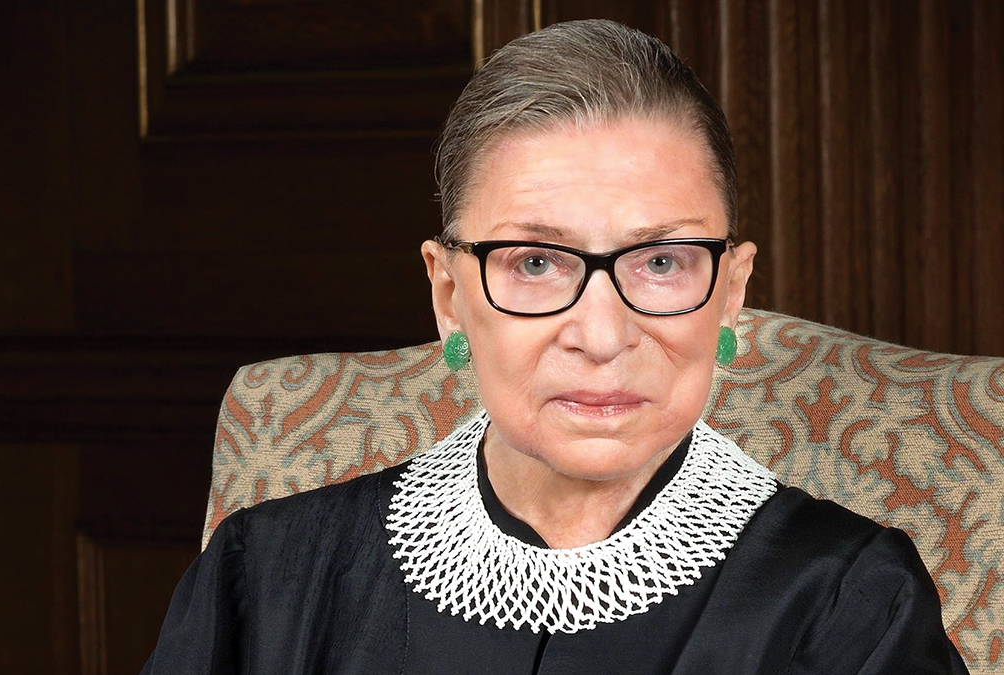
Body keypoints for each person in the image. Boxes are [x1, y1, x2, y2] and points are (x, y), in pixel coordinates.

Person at [141, 19, 968, 674]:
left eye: (661, 262)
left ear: (731, 290)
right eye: (535, 262)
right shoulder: (266, 576)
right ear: (449, 294)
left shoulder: (855, 605)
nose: (603, 337)